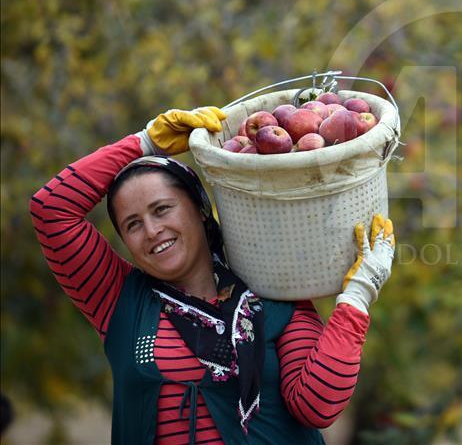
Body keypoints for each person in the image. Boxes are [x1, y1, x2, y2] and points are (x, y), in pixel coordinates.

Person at [30, 106, 396, 444]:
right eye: (133, 224)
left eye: (162, 209)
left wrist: (356, 297)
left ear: (202, 211)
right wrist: (145, 142)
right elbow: (50, 208)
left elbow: (317, 407)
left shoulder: (273, 291)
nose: (152, 230)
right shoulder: (120, 300)